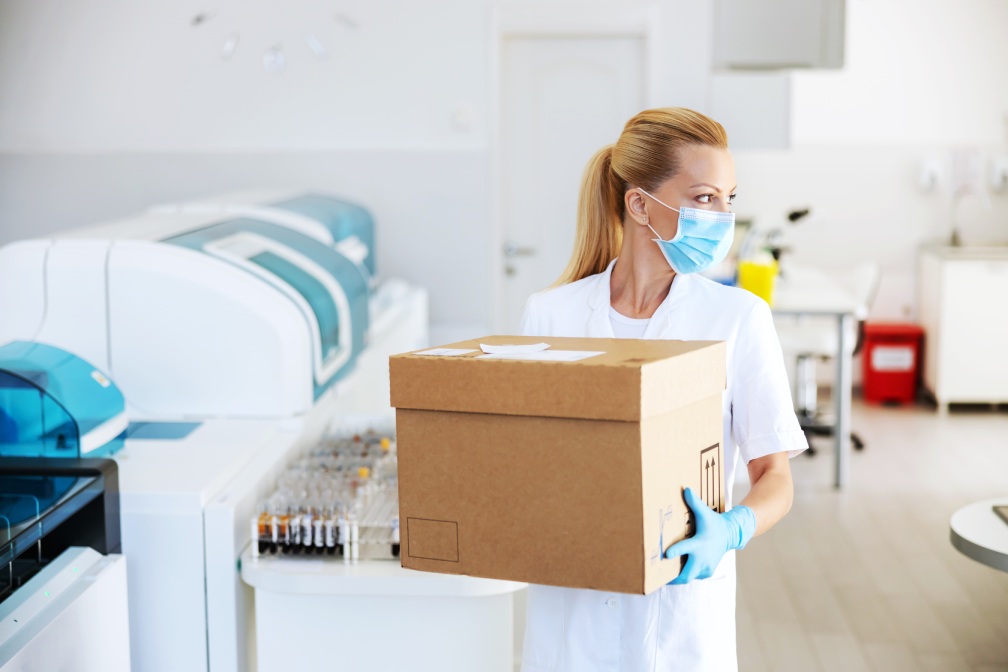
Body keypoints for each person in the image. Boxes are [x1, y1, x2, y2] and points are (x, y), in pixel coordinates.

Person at [518, 107, 807, 671]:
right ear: (639, 204)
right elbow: (524, 462)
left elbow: (775, 476)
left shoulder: (738, 318)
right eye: (704, 198)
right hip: (571, 618)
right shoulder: (550, 316)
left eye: (729, 198)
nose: (722, 218)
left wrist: (732, 529)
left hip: (681, 619)